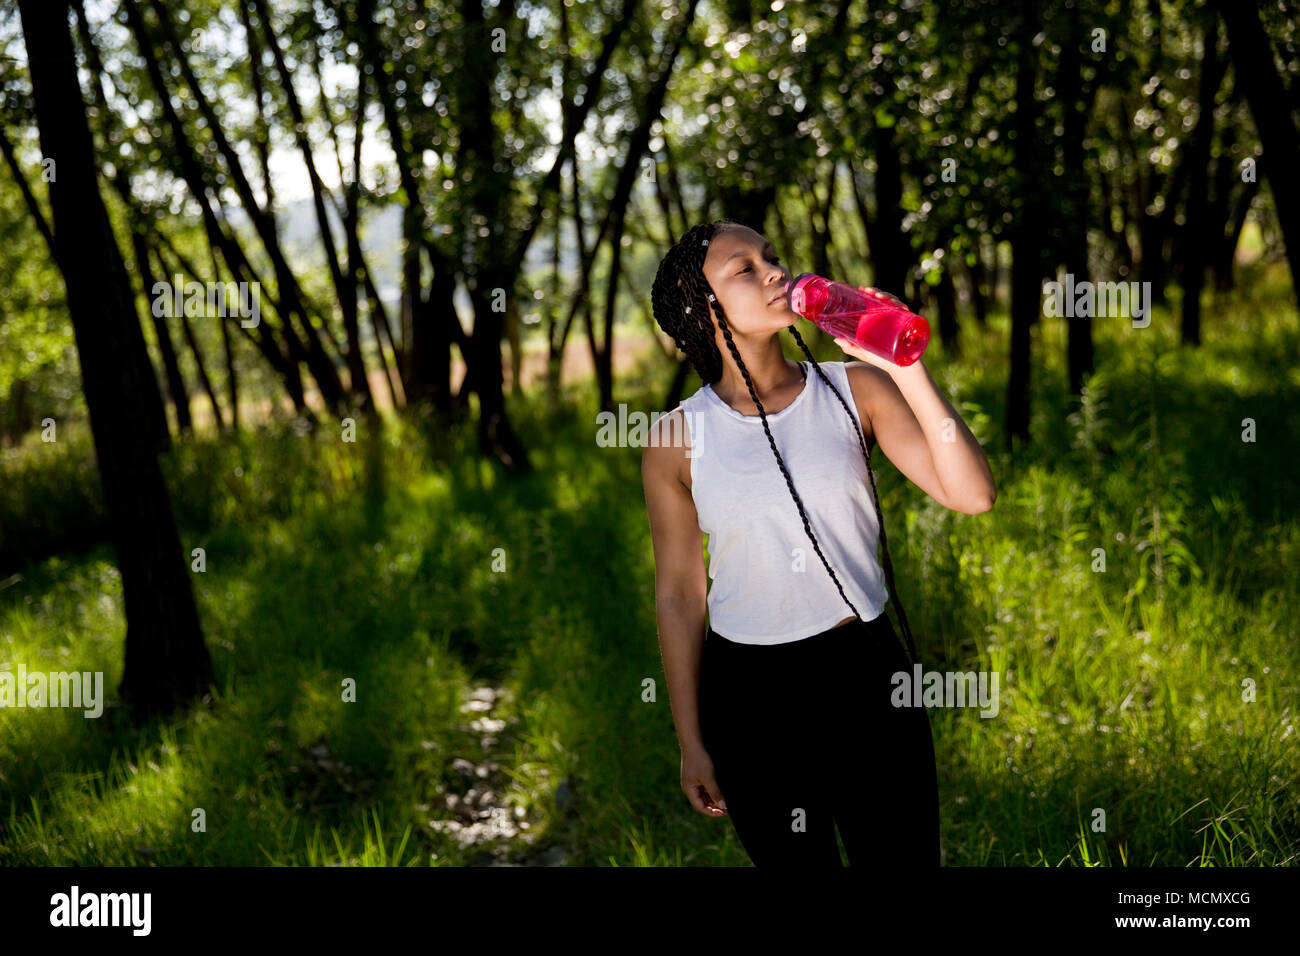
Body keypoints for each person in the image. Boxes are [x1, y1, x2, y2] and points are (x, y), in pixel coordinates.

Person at [641, 218, 997, 866]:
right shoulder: (675, 439)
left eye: (770, 257)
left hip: (866, 672)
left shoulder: (853, 389)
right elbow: (680, 594)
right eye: (743, 268)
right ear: (702, 308)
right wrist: (691, 739)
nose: (774, 271)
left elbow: (972, 495)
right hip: (750, 700)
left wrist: (906, 369)